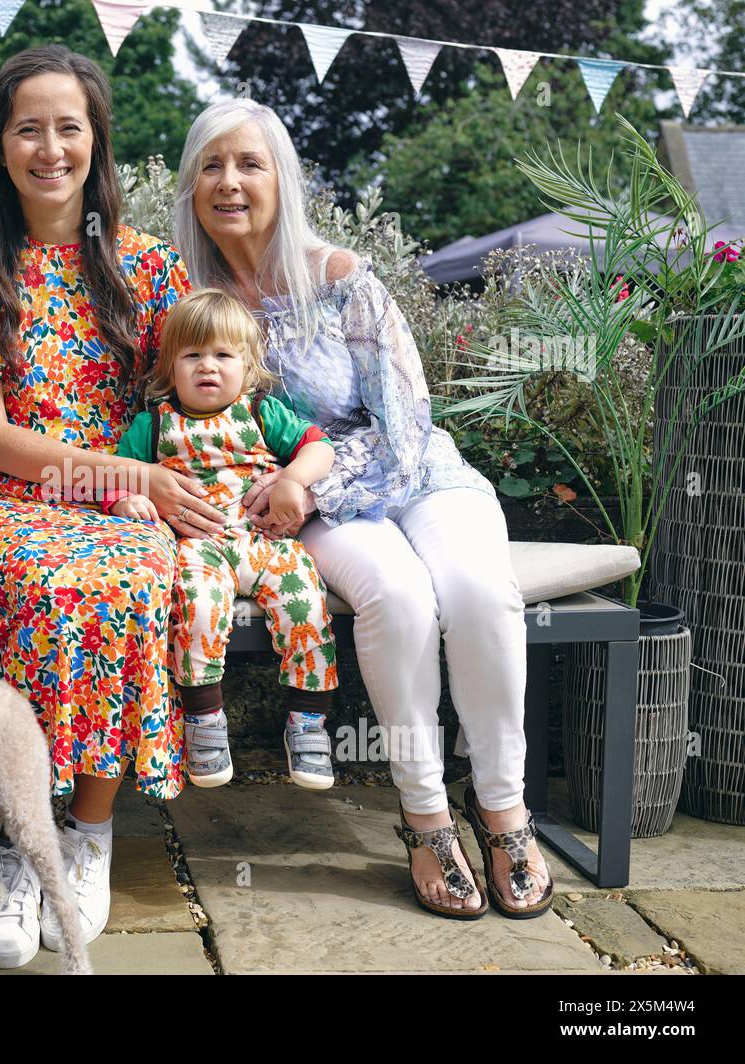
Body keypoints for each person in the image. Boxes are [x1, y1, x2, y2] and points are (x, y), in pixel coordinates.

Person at [174, 98, 554, 919]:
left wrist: (312, 481)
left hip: (411, 477)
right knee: (399, 598)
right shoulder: (187, 297)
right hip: (299, 507)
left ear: (283, 180)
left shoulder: (341, 281)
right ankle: (423, 817)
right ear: (190, 185)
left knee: (481, 593)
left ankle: (504, 809)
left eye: (250, 164)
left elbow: (408, 426)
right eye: (211, 165)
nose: (229, 182)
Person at [0, 45, 217, 968]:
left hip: (126, 507)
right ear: (0, 147)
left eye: (69, 127)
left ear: (96, 142)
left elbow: (189, 397)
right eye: (29, 129)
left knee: (126, 581)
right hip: (5, 502)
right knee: (52, 586)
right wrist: (124, 479)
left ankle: (87, 839)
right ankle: (23, 845)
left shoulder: (148, 268)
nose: (50, 148)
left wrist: (157, 484)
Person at [102, 288, 339, 791]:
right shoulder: (154, 424)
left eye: (223, 355)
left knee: (307, 605)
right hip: (199, 546)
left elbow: (320, 447)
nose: (208, 367)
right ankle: (204, 721)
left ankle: (308, 723)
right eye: (192, 356)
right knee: (195, 605)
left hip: (266, 539)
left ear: (248, 367)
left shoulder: (261, 414)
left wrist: (294, 480)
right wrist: (126, 501)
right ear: (169, 368)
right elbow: (120, 475)